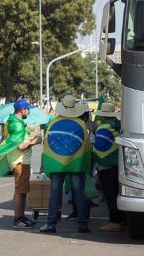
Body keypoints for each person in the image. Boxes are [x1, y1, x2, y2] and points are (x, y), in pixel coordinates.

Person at [40, 95, 91, 234]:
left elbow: (47, 144)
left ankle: (51, 224)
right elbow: (86, 145)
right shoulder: (81, 124)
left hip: (56, 163)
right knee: (79, 193)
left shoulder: (53, 122)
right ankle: (83, 225)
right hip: (75, 163)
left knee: (55, 193)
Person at [6, 98, 38, 229]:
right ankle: (18, 218)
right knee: (20, 190)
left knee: (22, 190)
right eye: (28, 109)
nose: (29, 111)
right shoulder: (17, 124)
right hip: (19, 160)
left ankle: (21, 217)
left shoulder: (17, 122)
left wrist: (31, 138)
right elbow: (20, 146)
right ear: (22, 110)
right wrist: (34, 141)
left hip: (21, 160)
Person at [92, 103, 123, 231]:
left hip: (106, 167)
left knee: (110, 195)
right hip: (119, 166)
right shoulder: (119, 126)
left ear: (103, 116)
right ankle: (122, 221)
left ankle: (114, 222)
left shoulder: (102, 129)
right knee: (118, 194)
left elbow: (100, 151)